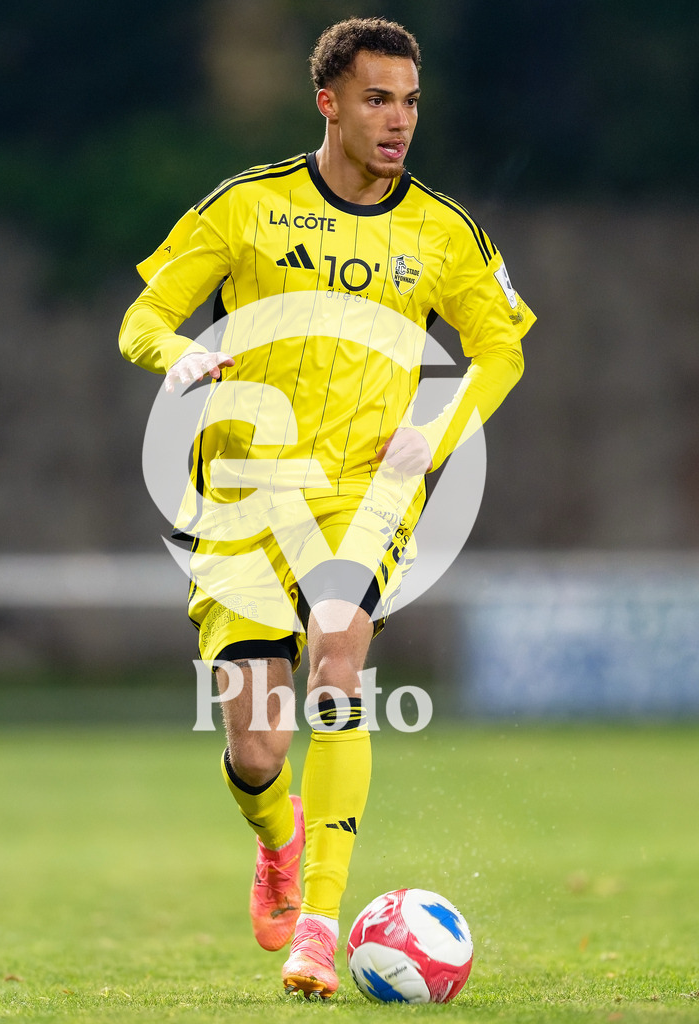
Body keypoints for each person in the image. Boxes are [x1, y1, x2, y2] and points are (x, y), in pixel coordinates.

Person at [119, 16, 535, 999]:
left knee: (339, 644)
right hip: (245, 498)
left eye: (411, 101)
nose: (399, 122)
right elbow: (142, 314)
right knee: (257, 745)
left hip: (365, 495)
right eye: (378, 100)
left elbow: (503, 347)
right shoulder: (246, 209)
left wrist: (440, 427)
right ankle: (278, 836)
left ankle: (320, 923)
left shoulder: (444, 232)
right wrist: (178, 355)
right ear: (330, 104)